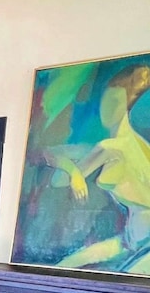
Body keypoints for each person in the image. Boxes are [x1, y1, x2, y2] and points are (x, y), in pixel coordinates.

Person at [42, 64, 150, 272]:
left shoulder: (111, 148)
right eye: (105, 100)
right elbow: (49, 154)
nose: (106, 108)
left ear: (126, 105)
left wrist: (73, 174)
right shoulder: (131, 145)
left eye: (113, 101)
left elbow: (59, 180)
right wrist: (73, 172)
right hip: (130, 241)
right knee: (62, 267)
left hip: (143, 248)